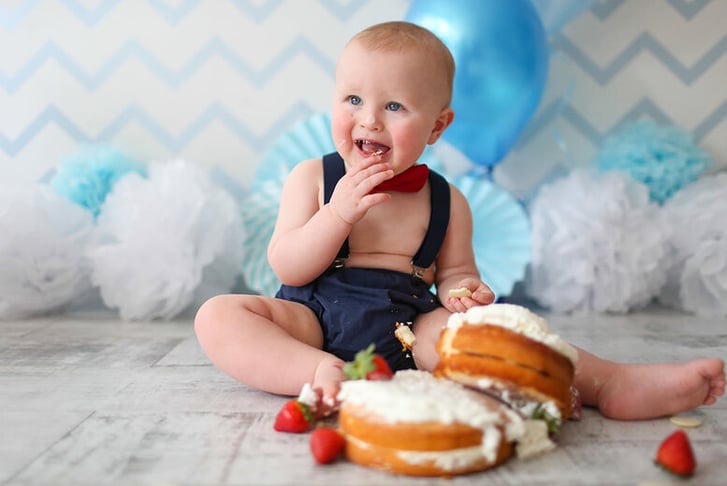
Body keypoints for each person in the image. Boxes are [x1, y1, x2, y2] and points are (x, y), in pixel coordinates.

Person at [195, 21, 725, 420]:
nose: (369, 118)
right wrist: (336, 214)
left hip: (408, 329)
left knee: (493, 330)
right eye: (353, 98)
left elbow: (453, 274)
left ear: (438, 126)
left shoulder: (447, 200)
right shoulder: (313, 177)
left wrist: (464, 291)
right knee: (217, 316)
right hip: (309, 324)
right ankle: (317, 374)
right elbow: (287, 264)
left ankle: (609, 383)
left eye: (395, 106)